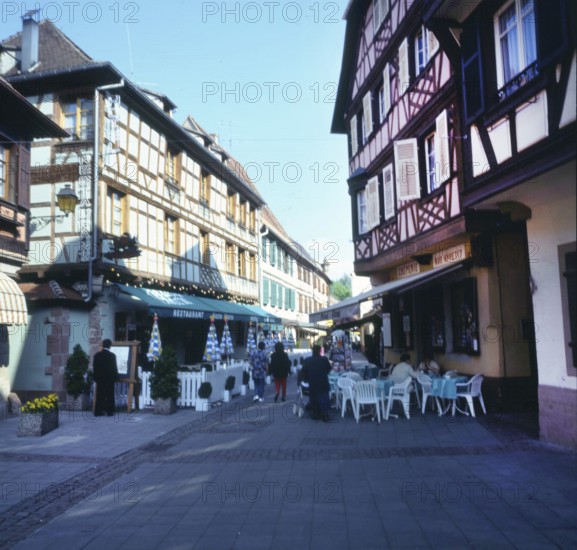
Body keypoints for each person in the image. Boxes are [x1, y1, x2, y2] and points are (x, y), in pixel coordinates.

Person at [301, 344, 333, 422]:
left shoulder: (307, 360)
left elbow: (303, 371)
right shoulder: (324, 359)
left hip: (312, 383)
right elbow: (329, 369)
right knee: (324, 398)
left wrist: (306, 378)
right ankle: (325, 414)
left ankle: (316, 414)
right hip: (323, 382)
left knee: (314, 398)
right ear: (319, 351)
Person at [92, 339, 119, 416]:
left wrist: (95, 377)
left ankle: (98, 411)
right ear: (110, 346)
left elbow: (95, 368)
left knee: (100, 395)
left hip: (100, 378)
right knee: (110, 395)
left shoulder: (97, 355)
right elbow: (114, 368)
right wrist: (116, 378)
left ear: (103, 345)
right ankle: (109, 411)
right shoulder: (112, 356)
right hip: (109, 379)